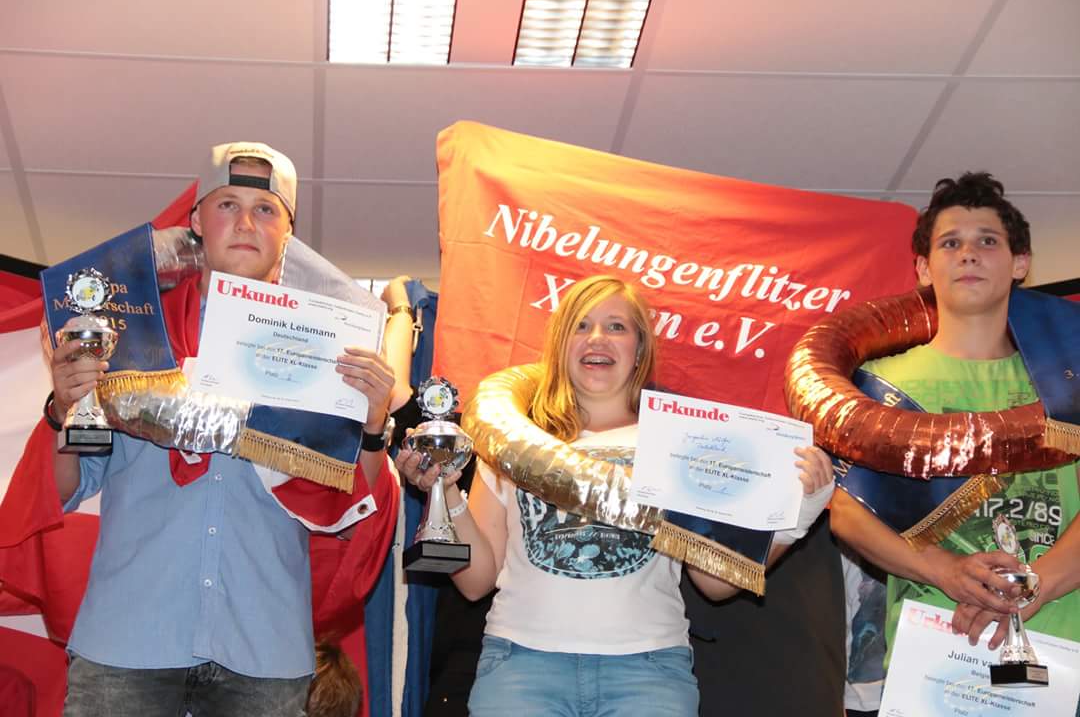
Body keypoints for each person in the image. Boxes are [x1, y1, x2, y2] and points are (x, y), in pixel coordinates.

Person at [43, 142, 399, 716]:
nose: (245, 223)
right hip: (126, 641)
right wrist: (65, 410)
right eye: (227, 204)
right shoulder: (131, 332)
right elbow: (65, 486)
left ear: (288, 232)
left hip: (264, 653)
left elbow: (352, 502)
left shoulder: (327, 348)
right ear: (195, 221)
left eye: (265, 209)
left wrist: (374, 427)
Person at [397, 275, 835, 716]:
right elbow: (475, 582)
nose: (597, 338)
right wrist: (445, 489)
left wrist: (800, 514)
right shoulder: (512, 440)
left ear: (639, 348)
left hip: (647, 674)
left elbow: (715, 583)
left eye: (616, 326)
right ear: (560, 344)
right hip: (521, 669)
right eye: (581, 325)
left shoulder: (681, 442)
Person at [830, 172, 1080, 712]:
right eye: (950, 243)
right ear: (923, 268)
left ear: (1020, 263)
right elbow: (847, 515)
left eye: (987, 240)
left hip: (1063, 648)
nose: (968, 253)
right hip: (934, 649)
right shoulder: (880, 383)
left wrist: (1032, 588)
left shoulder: (1070, 377)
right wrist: (944, 571)